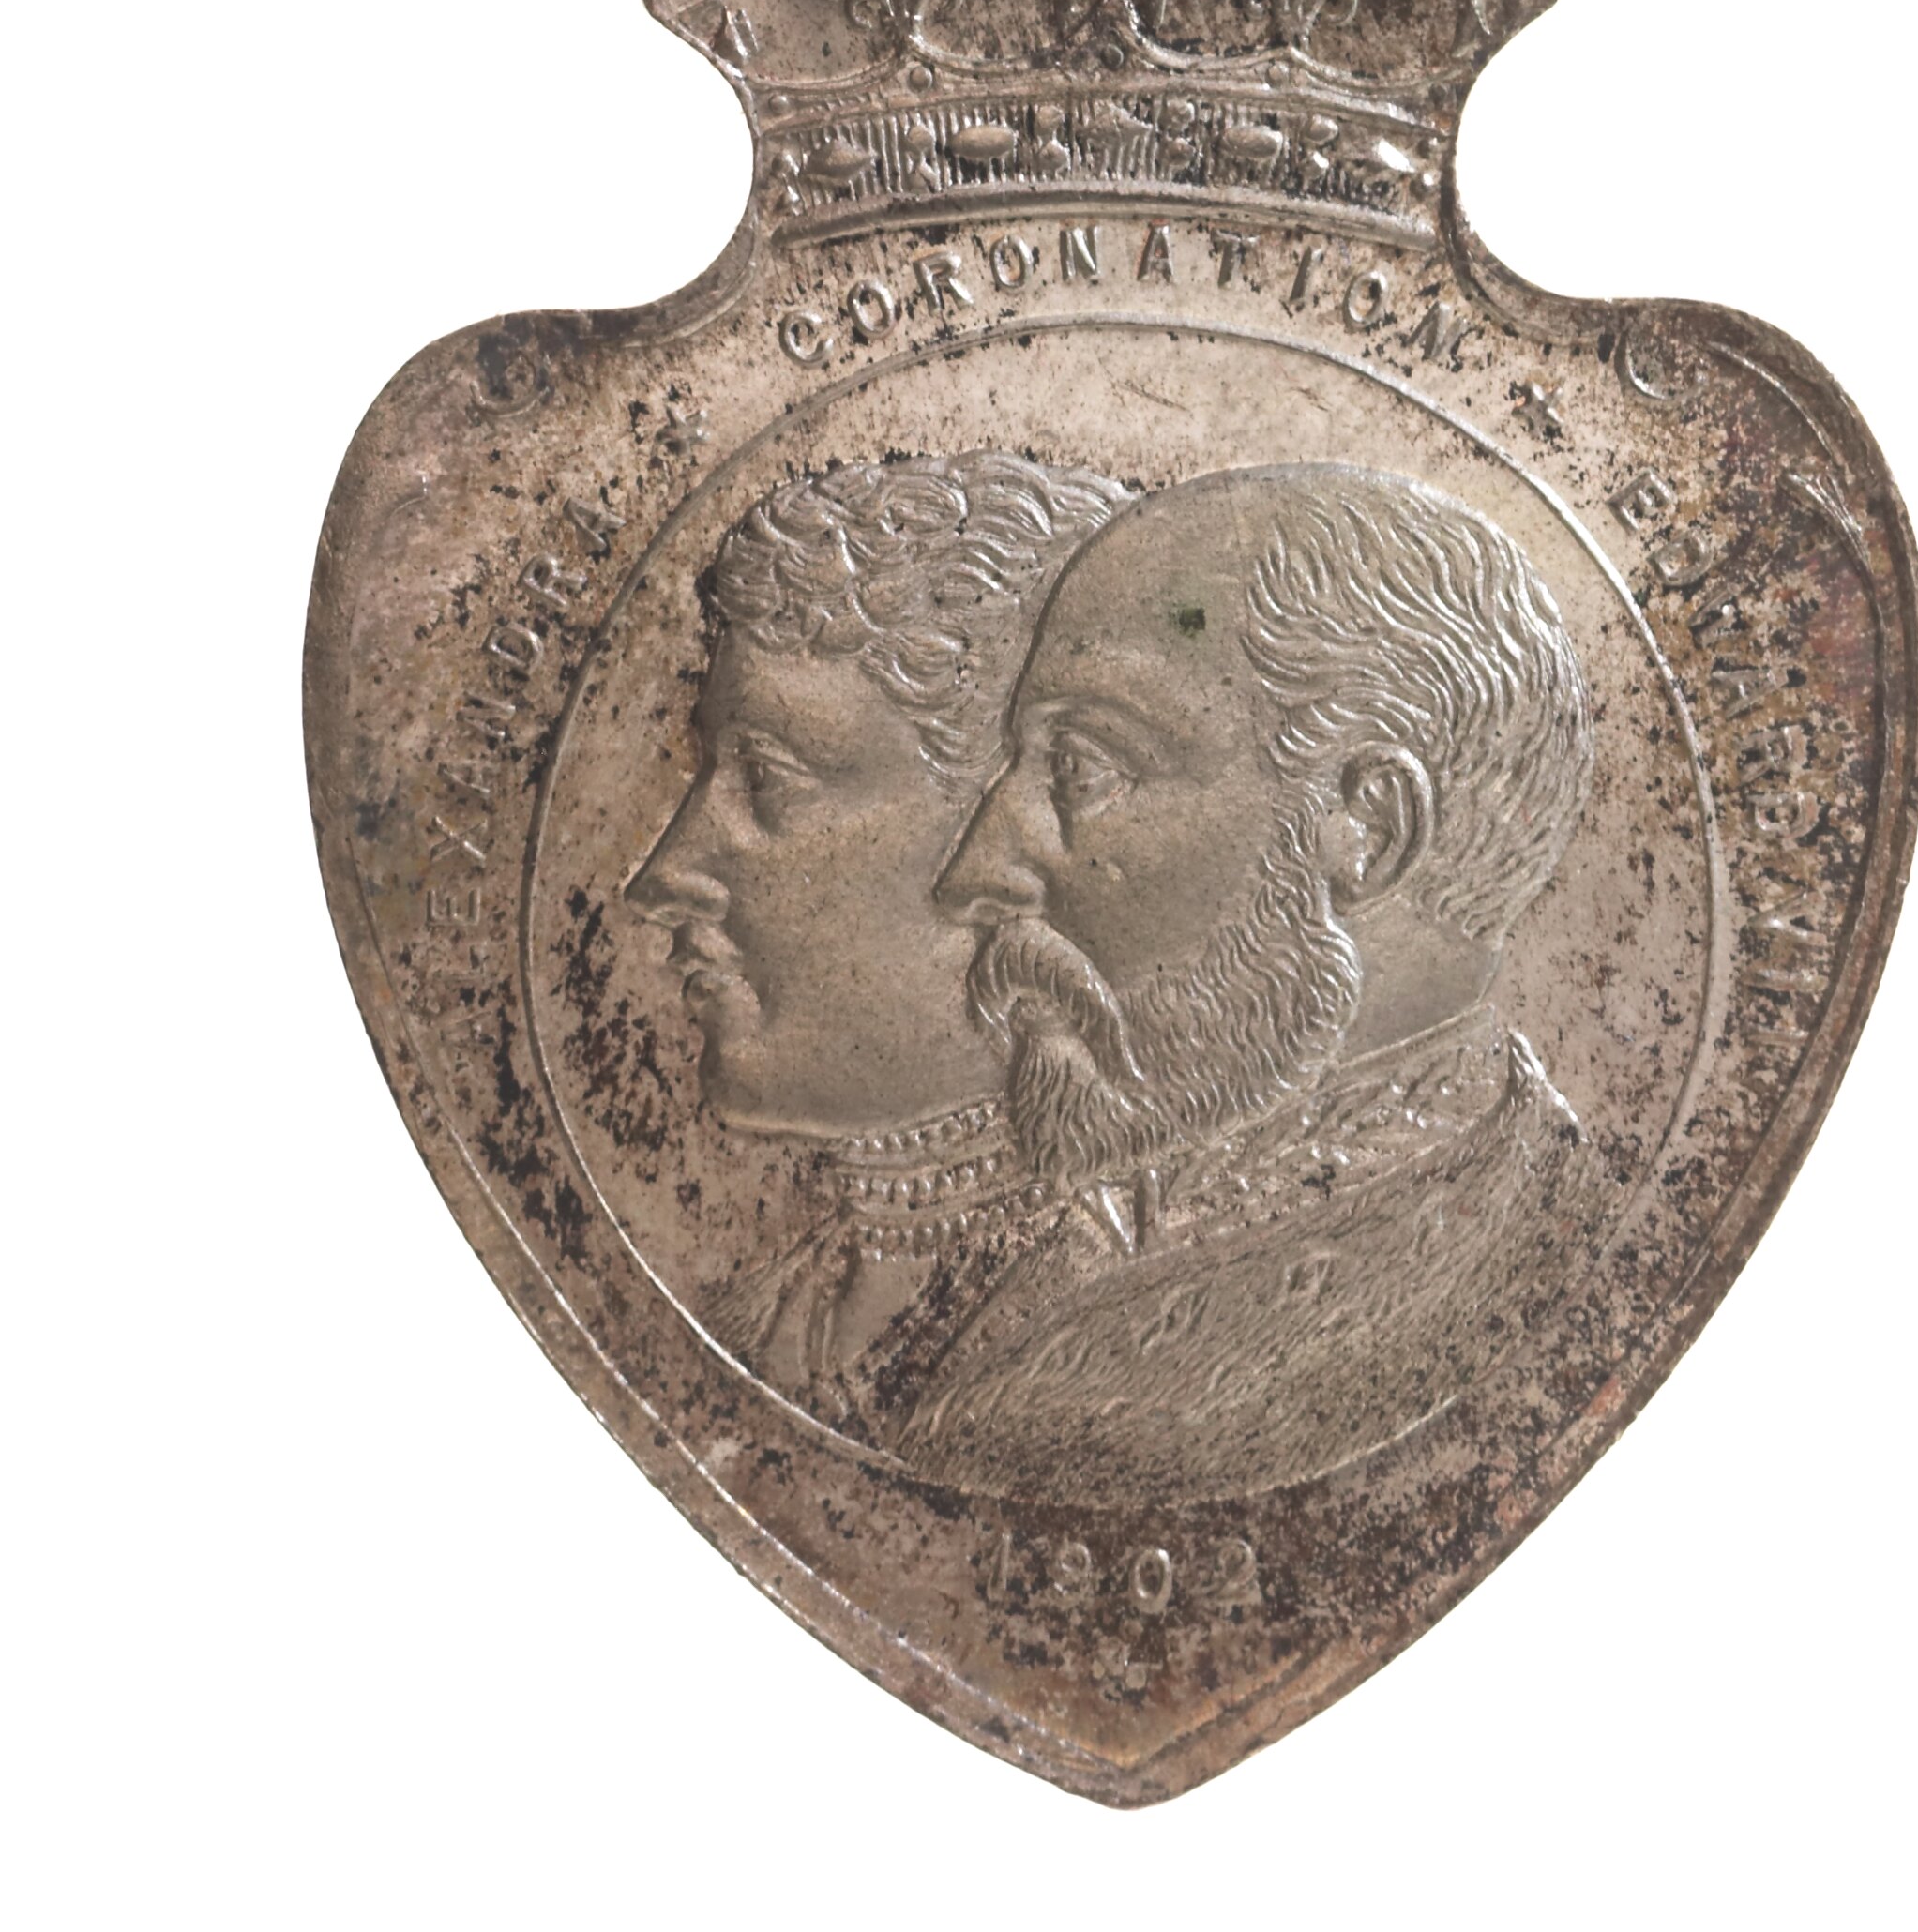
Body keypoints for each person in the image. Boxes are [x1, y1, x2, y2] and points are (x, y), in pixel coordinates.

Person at [904, 461, 1606, 1499]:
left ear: (1366, 830)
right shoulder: (1076, 1229)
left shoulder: (1538, 1262)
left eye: (1083, 769)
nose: (973, 871)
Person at [627, 452, 1127, 1409]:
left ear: (1010, 832)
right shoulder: (764, 1321)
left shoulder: (1122, 1352)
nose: (665, 875)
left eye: (767, 779)